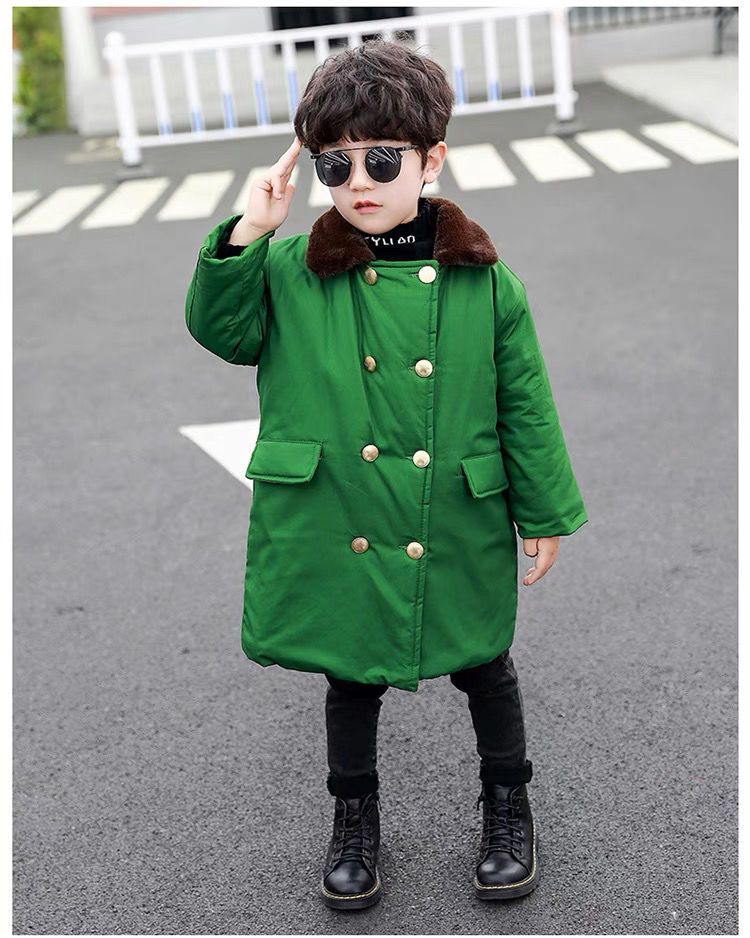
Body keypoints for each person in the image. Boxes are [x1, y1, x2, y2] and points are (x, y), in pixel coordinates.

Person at [184, 39, 588, 910]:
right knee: (351, 672)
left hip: (454, 512)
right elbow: (223, 332)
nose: (357, 182)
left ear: (431, 159)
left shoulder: (486, 282)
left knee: (485, 663)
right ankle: (354, 819)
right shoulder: (291, 270)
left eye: (380, 158)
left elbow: (524, 401)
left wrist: (544, 510)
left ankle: (508, 805)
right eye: (334, 163)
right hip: (344, 510)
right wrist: (251, 230)